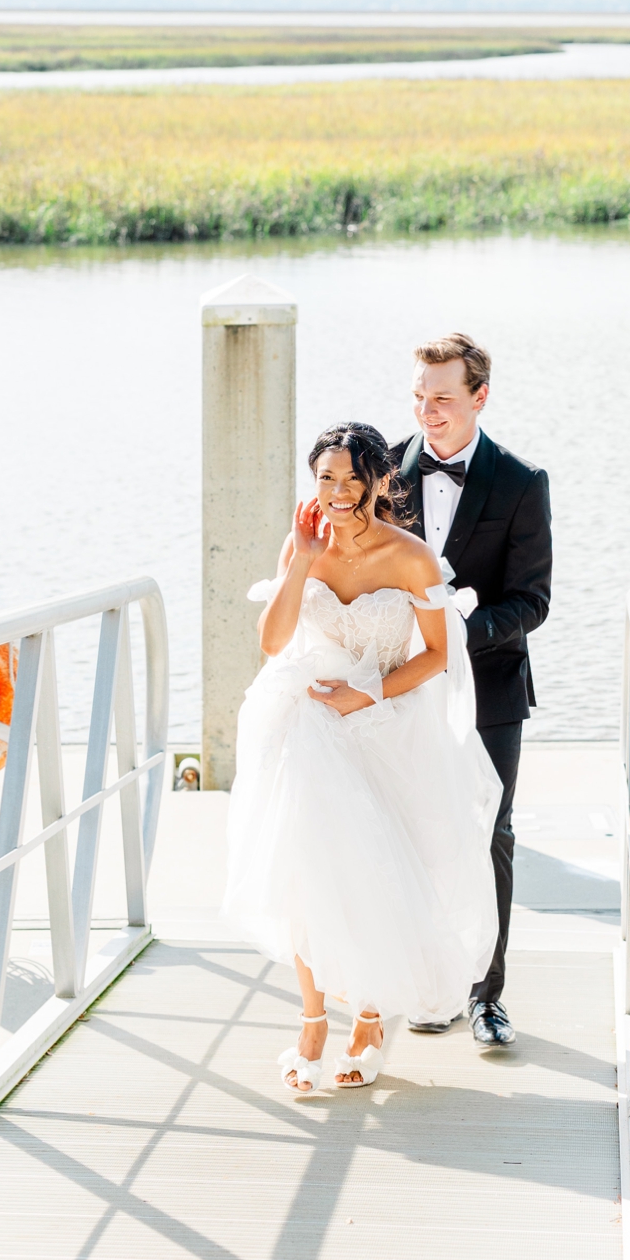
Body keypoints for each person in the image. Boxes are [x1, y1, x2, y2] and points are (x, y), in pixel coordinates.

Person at [222, 422, 501, 1093]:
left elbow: (435, 655)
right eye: (326, 478)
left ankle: (370, 1017)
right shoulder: (305, 540)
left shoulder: (411, 558)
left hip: (384, 719)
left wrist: (365, 694)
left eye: (351, 479)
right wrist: (299, 562)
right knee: (302, 869)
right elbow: (273, 640)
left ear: (380, 481)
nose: (338, 493)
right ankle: (313, 1018)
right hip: (306, 717)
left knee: (374, 870)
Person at [388, 334, 552, 1049]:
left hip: (490, 686)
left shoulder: (520, 481)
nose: (429, 412)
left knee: (490, 835)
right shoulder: (385, 469)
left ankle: (489, 996)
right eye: (420, 397)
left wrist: (460, 631)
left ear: (479, 397)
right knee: (409, 832)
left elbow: (532, 601)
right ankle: (428, 985)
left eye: (443, 399)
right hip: (402, 688)